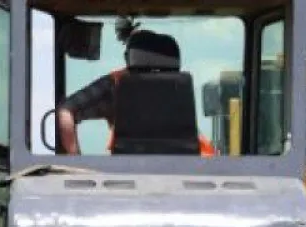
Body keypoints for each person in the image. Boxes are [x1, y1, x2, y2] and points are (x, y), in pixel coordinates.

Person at [55, 23, 216, 157]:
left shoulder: (115, 84)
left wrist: (76, 160)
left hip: (127, 169)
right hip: (189, 168)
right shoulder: (179, 86)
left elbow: (66, 110)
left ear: (129, 57)